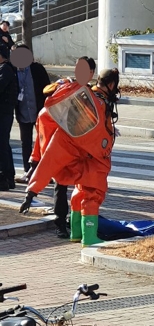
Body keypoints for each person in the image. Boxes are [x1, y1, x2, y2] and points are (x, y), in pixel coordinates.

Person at [19, 68, 120, 247]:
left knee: (78, 193)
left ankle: (76, 232)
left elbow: (50, 157)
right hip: (94, 160)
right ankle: (89, 237)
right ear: (112, 85)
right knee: (92, 195)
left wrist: (32, 190)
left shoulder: (86, 98)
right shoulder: (100, 104)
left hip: (80, 158)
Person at [27, 56, 96, 238]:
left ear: (91, 73)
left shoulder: (91, 93)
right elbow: (46, 109)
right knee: (61, 184)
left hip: (81, 148)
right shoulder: (65, 86)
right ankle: (60, 224)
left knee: (83, 187)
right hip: (61, 145)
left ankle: (77, 224)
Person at [11, 44, 50, 184]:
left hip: (40, 111)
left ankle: (44, 172)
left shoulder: (37, 69)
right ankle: (28, 171)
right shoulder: (12, 71)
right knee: (25, 142)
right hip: (22, 112)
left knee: (43, 142)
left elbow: (47, 88)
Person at [0, 45, 18, 191]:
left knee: (2, 145)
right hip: (5, 112)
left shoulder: (5, 69)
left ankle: (6, 178)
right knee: (4, 145)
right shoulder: (7, 69)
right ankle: (8, 177)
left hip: (4, 113)